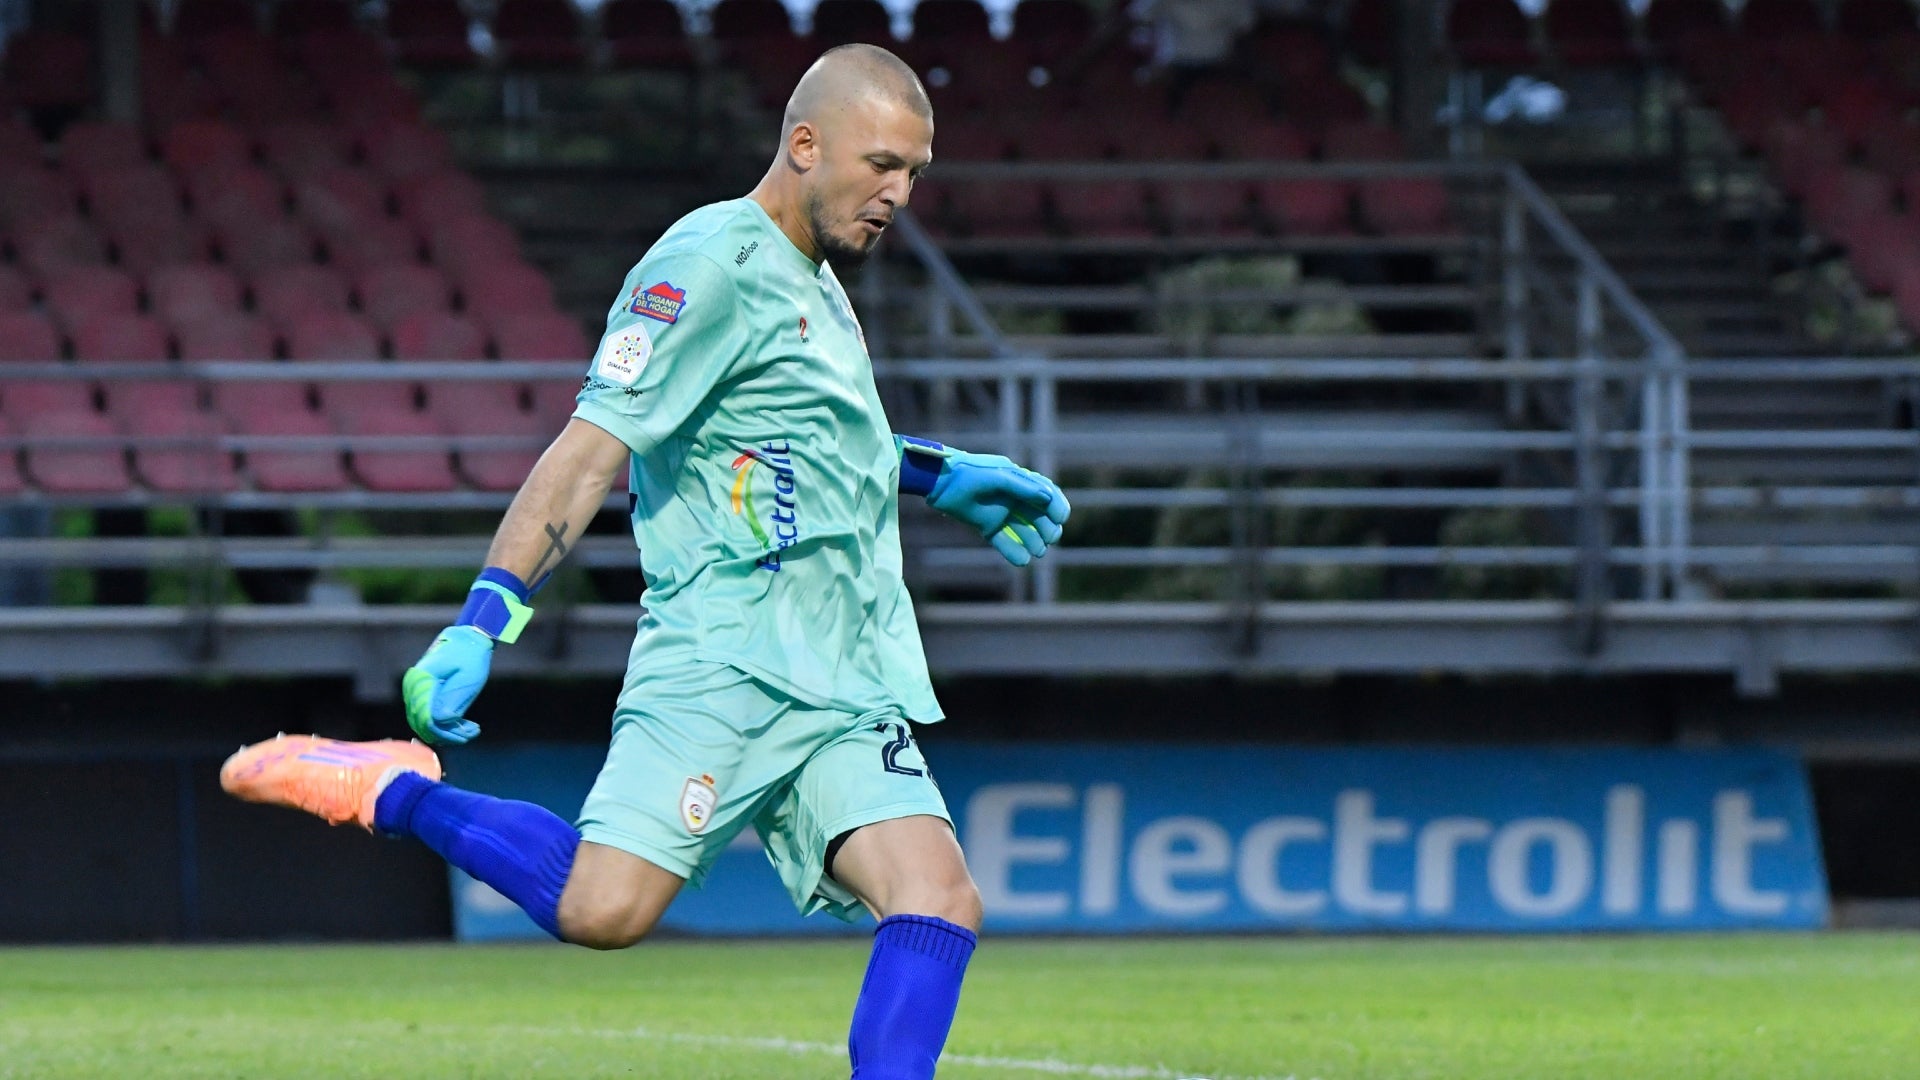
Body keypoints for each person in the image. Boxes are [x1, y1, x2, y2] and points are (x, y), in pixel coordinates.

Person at [218, 43, 1069, 1080]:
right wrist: (482, 618)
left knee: (939, 900)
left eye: (915, 174)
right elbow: (588, 452)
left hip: (842, 677)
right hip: (723, 662)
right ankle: (394, 791)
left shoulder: (822, 280)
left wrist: (935, 474)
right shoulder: (703, 265)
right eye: (882, 164)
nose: (898, 193)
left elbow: (798, 437)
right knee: (602, 912)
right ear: (805, 145)